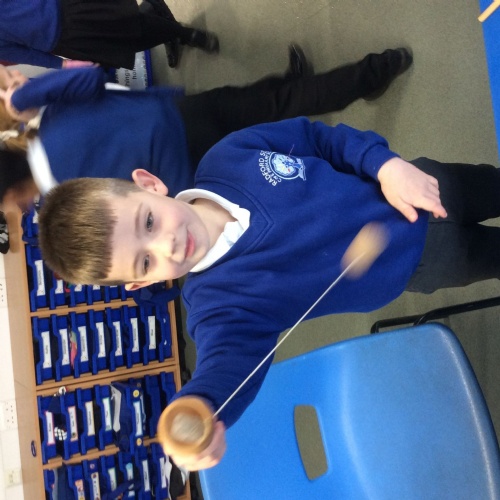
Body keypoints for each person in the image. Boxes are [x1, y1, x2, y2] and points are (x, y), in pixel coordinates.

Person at [37, 116, 500, 470]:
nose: (168, 245)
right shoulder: (217, 307)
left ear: (149, 185)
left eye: (149, 222)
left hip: (423, 183)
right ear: (142, 283)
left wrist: (385, 165)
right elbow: (226, 363)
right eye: (145, 261)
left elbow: (320, 138)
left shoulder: (228, 157)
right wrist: (199, 407)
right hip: (424, 260)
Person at [0, 46, 413, 209]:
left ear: (14, 193)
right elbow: (92, 74)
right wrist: (28, 97)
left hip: (198, 169)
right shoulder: (49, 116)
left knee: (281, 135)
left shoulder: (68, 202)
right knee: (265, 104)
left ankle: (356, 79)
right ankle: (373, 70)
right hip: (180, 115)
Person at [0, 0, 219, 70]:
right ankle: (156, 13)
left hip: (67, 6)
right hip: (64, 41)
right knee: (123, 45)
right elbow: (23, 54)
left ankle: (183, 33)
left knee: (130, 23)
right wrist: (62, 65)